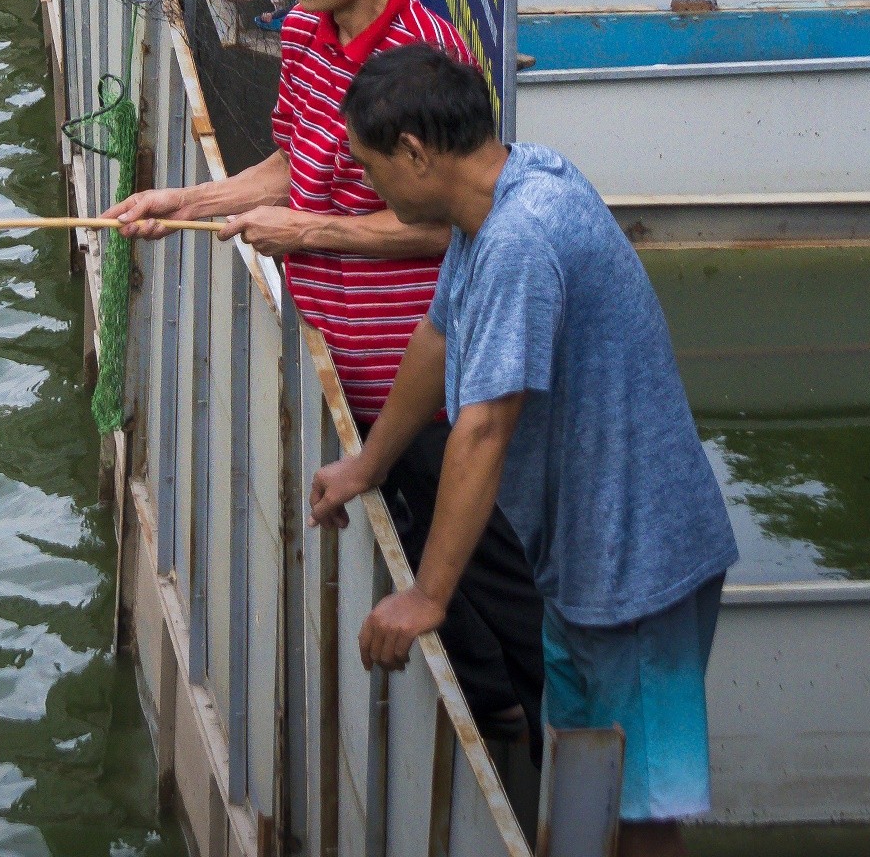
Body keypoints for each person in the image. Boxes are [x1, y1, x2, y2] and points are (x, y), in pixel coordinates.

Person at [103, 0, 544, 739]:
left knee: (467, 538)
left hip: (408, 359)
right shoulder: (303, 33)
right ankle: (490, 701)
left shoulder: (428, 58)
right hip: (324, 343)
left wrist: (309, 233)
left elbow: (449, 226)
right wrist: (181, 202)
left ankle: (549, 714)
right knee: (403, 529)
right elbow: (288, 171)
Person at [315, 45, 739, 855]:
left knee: (639, 818)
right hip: (581, 569)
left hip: (636, 570)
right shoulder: (509, 189)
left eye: (372, 168)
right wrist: (367, 466)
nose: (370, 189)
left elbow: (482, 425)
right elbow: (437, 339)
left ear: (414, 151)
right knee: (581, 795)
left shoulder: (518, 239)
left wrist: (427, 596)